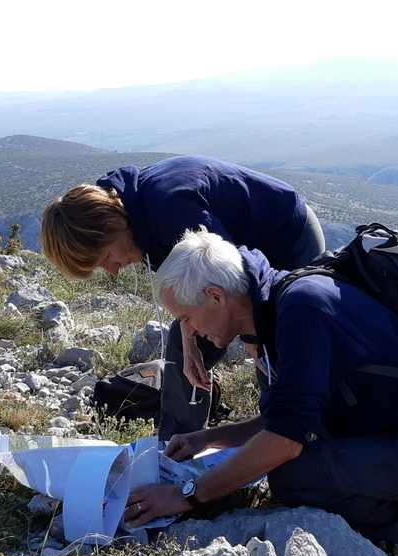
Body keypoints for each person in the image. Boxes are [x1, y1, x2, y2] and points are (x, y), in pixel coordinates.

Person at [123, 229, 398, 556]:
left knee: (296, 477)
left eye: (186, 317)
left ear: (216, 296)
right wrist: (209, 438)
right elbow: (285, 418)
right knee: (302, 463)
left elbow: (285, 441)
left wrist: (186, 494)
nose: (188, 331)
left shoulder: (301, 309)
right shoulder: (271, 309)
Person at [39, 155, 325, 440]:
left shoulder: (170, 210)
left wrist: (254, 340)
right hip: (242, 259)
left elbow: (239, 277)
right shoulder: (135, 218)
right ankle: (178, 448)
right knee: (182, 341)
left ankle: (287, 440)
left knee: (276, 344)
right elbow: (190, 295)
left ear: (111, 224)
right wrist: (190, 346)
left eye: (106, 258)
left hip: (288, 236)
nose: (112, 271)